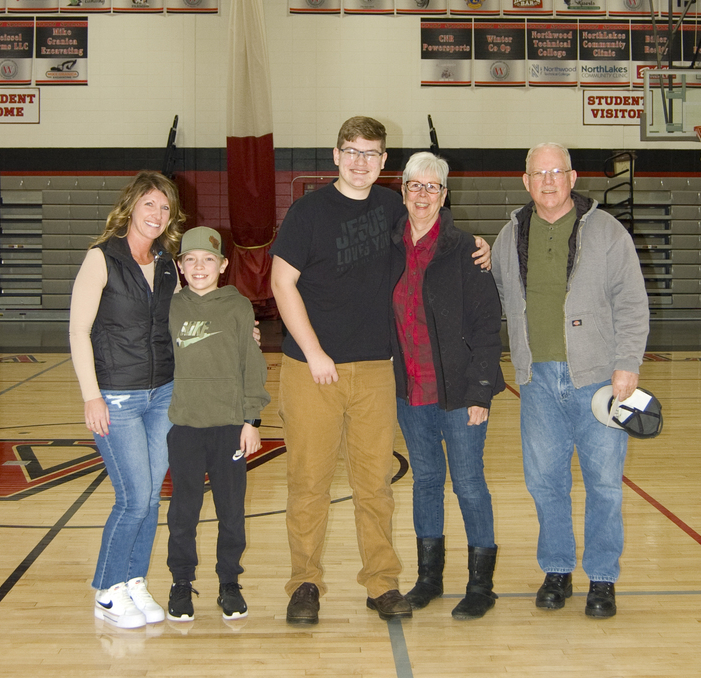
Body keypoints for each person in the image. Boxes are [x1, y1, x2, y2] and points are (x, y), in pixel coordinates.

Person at [270, 116, 490, 625]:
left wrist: (481, 246)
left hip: (375, 370)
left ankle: (382, 583)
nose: (360, 161)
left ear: (384, 161)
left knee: (375, 484)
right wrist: (316, 351)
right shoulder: (308, 212)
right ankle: (305, 582)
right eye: (351, 150)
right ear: (336, 154)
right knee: (309, 482)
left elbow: (435, 235)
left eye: (370, 153)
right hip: (311, 369)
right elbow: (283, 284)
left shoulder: (393, 207)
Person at [491, 143, 649, 619]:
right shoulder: (510, 234)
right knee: (545, 483)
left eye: (557, 171)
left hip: (598, 379)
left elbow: (632, 302)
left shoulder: (606, 230)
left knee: (604, 484)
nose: (548, 180)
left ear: (573, 177)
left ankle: (602, 579)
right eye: (539, 173)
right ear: (525, 181)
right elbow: (491, 291)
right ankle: (557, 570)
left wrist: (628, 363)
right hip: (536, 379)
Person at [391, 152, 504, 620]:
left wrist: (480, 390)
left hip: (459, 394)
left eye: (432, 187)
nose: (422, 194)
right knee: (426, 483)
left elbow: (486, 328)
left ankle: (480, 585)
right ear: (402, 191)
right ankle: (429, 579)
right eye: (414, 185)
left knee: (469, 483)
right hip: (410, 393)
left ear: (444, 194)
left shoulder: (465, 250)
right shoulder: (386, 247)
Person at [70, 171, 185, 629]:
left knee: (152, 496)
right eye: (150, 204)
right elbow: (79, 330)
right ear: (132, 205)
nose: (158, 215)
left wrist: (236, 327)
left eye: (165, 208)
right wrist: (90, 396)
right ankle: (108, 590)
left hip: (163, 394)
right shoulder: (102, 257)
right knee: (134, 497)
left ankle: (134, 579)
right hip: (117, 395)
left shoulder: (167, 262)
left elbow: (184, 319)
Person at [165, 227, 270, 623]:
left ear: (223, 264)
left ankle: (229, 581)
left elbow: (251, 365)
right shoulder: (170, 308)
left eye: (208, 259)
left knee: (231, 510)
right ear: (179, 266)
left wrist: (251, 420)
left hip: (229, 426)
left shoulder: (238, 307)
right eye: (189, 259)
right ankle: (180, 582)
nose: (199, 267)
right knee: (183, 512)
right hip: (185, 427)